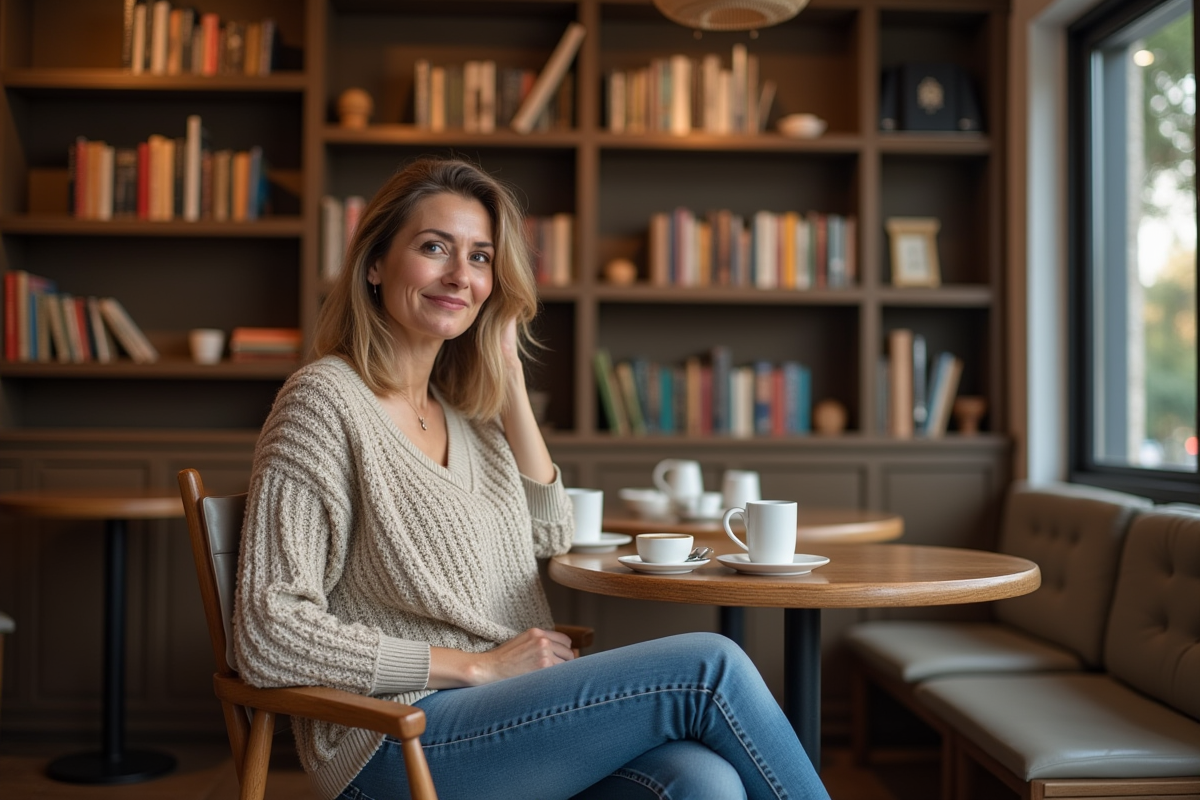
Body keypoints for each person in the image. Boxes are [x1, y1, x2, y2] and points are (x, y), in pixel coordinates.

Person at [233, 157, 830, 800]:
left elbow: (551, 532)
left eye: (480, 258)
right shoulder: (323, 401)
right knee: (713, 668)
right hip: (391, 736)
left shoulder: (463, 416)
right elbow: (268, 630)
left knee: (703, 780)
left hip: (501, 717)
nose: (460, 275)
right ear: (375, 264)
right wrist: (475, 667)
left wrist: (510, 379)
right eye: (433, 247)